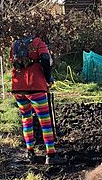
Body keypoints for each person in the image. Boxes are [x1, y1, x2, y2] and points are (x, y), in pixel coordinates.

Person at [10, 35, 65, 165]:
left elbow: (13, 61)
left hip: (18, 87)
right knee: (45, 121)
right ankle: (50, 155)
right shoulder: (38, 42)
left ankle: (30, 152)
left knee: (26, 119)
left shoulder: (15, 45)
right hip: (36, 86)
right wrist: (48, 77)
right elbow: (45, 59)